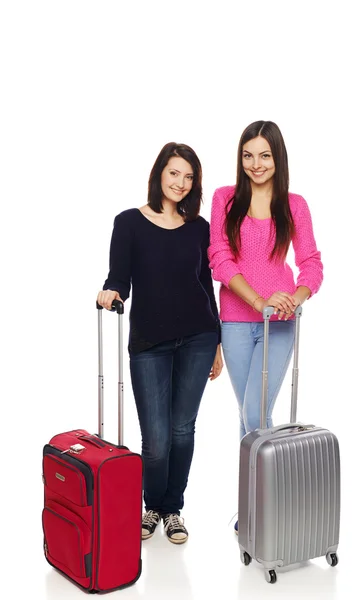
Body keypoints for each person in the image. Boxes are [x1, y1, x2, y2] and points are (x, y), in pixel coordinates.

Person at [97, 142, 223, 545]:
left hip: (198, 337)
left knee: (182, 429)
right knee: (155, 438)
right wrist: (110, 291)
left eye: (189, 177)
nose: (181, 183)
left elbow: (206, 284)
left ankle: (172, 509)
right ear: (159, 173)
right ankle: (152, 504)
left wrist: (217, 341)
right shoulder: (129, 222)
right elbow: (120, 276)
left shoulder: (199, 228)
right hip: (149, 341)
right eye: (174, 173)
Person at [208, 121, 323, 532]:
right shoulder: (224, 199)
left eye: (264, 155)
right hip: (237, 321)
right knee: (250, 416)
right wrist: (259, 301)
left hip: (281, 323)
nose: (256, 164)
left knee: (254, 415)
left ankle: (261, 512)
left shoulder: (295, 204)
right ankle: (260, 510)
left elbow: (310, 263)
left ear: (278, 158)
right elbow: (221, 260)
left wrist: (296, 296)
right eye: (248, 155)